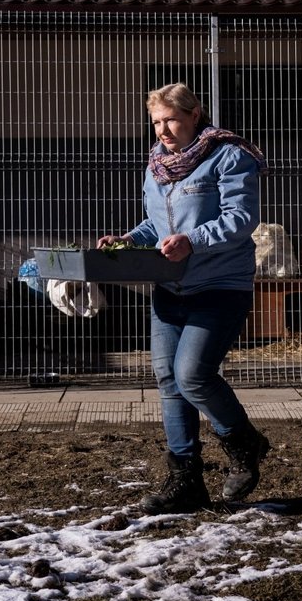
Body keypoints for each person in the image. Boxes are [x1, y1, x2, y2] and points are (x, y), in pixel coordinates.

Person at [98, 82, 270, 513]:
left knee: (192, 374)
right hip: (169, 288)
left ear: (195, 114)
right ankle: (185, 480)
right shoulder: (158, 166)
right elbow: (156, 227)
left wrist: (192, 240)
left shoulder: (230, 156)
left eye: (171, 119)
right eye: (156, 122)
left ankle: (244, 443)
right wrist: (126, 239)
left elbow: (241, 218)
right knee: (169, 382)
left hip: (219, 284)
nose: (163, 130)